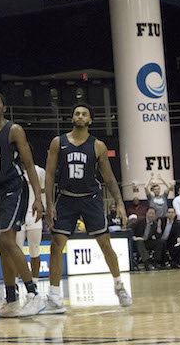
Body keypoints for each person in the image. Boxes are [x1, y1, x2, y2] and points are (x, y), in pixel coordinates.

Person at [42, 104, 130, 313]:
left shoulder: (97, 146)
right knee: (56, 244)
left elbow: (108, 176)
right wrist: (50, 203)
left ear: (90, 120)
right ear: (72, 118)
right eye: (77, 113)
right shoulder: (58, 142)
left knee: (105, 243)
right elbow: (50, 174)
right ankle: (54, 296)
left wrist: (119, 202)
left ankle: (119, 285)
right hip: (66, 198)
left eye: (84, 114)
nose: (80, 117)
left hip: (91, 198)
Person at [0, 91, 45, 318]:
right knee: (1, 244)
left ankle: (34, 294)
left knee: (7, 238)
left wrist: (37, 197)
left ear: (4, 107)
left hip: (14, 188)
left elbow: (28, 163)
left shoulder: (14, 130)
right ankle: (11, 298)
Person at [17, 163, 46, 281]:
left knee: (35, 250)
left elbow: (43, 192)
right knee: (16, 252)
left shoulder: (39, 171)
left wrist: (46, 209)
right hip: (18, 215)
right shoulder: (14, 169)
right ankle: (14, 285)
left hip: (34, 216)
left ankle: (34, 282)